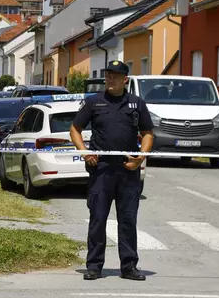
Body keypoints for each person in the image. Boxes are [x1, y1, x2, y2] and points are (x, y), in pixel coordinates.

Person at [69, 60, 154, 282]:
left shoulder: (136, 103)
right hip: (102, 169)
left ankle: (129, 266)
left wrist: (140, 158)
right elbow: (75, 129)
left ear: (125, 79)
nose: (110, 79)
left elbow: (147, 133)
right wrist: (85, 152)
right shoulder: (94, 102)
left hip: (128, 170)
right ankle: (94, 266)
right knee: (98, 218)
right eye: (108, 75)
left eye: (115, 76)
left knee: (128, 220)